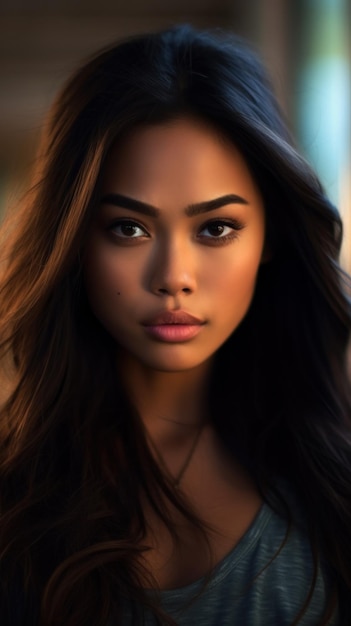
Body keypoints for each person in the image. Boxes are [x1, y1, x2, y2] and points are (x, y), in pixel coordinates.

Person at [0, 23, 350, 626]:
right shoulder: (14, 491)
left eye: (216, 228)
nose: (174, 277)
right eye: (128, 228)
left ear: (271, 236)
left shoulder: (333, 479)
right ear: (74, 240)